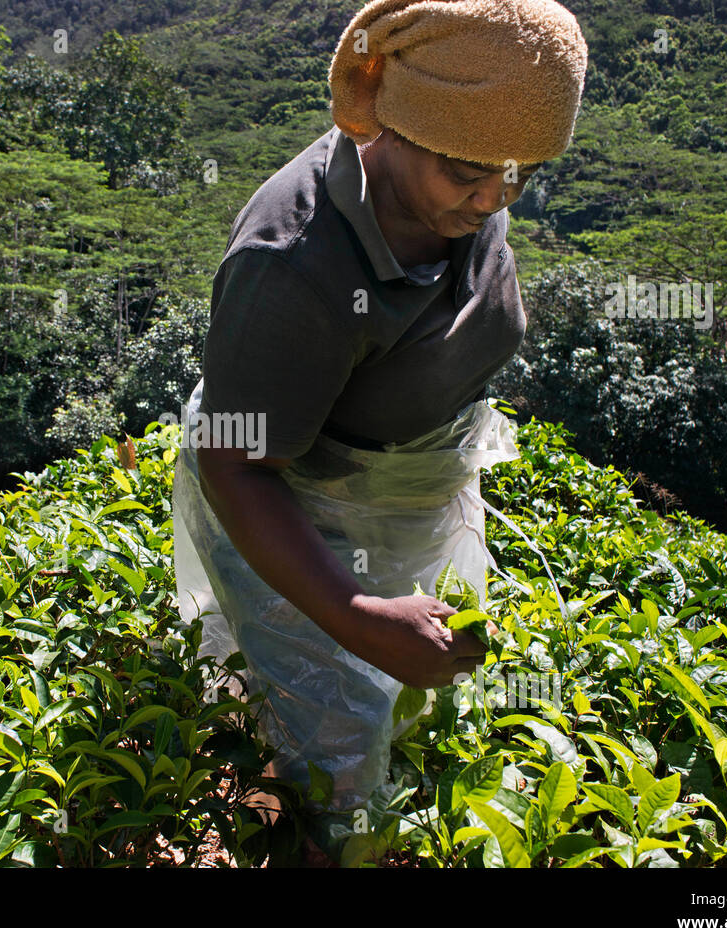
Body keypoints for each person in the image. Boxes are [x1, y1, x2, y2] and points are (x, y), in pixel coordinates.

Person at [173, 0, 588, 865]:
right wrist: (357, 613)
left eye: (518, 174)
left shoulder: (463, 183)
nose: (493, 199)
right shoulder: (294, 262)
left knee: (413, 687)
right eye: (469, 173)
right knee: (338, 734)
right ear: (397, 124)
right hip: (295, 509)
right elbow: (238, 464)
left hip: (403, 494)